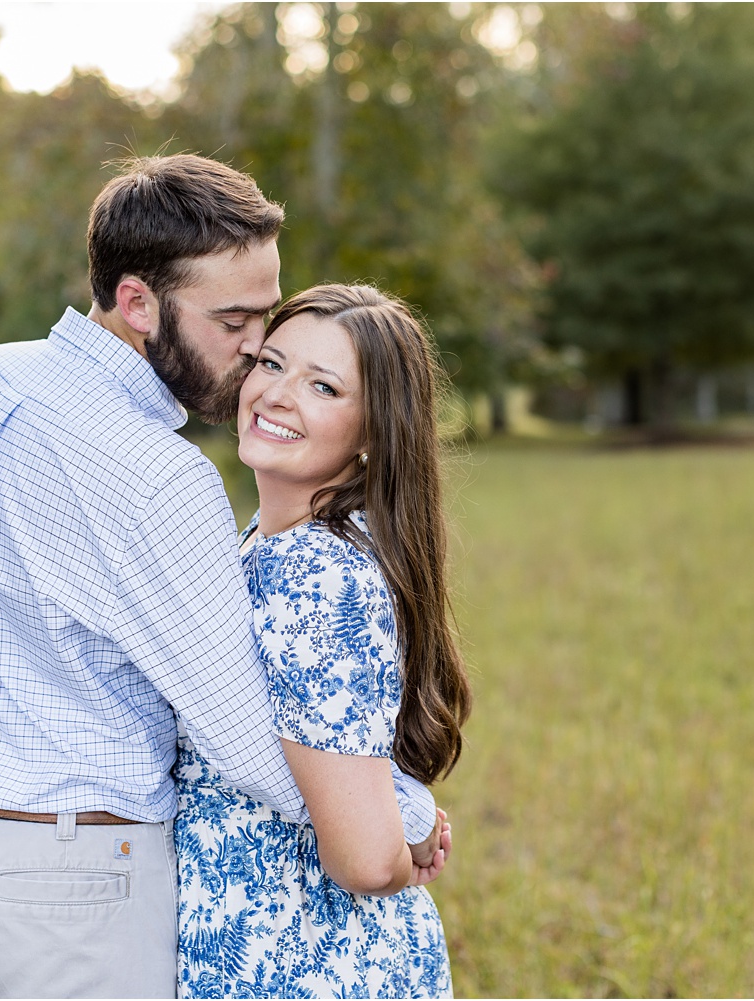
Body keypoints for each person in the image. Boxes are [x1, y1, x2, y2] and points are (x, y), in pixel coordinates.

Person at [0, 156, 445, 999]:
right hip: (76, 882)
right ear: (139, 302)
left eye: (267, 312)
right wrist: (403, 812)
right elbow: (239, 729)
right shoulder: (160, 475)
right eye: (235, 320)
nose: (257, 345)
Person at [176, 284, 471, 998]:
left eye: (323, 386)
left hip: (302, 961)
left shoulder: (314, 572)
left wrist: (403, 852)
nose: (278, 395)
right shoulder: (276, 543)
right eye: (272, 364)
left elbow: (368, 860)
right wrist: (409, 809)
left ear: (373, 430)